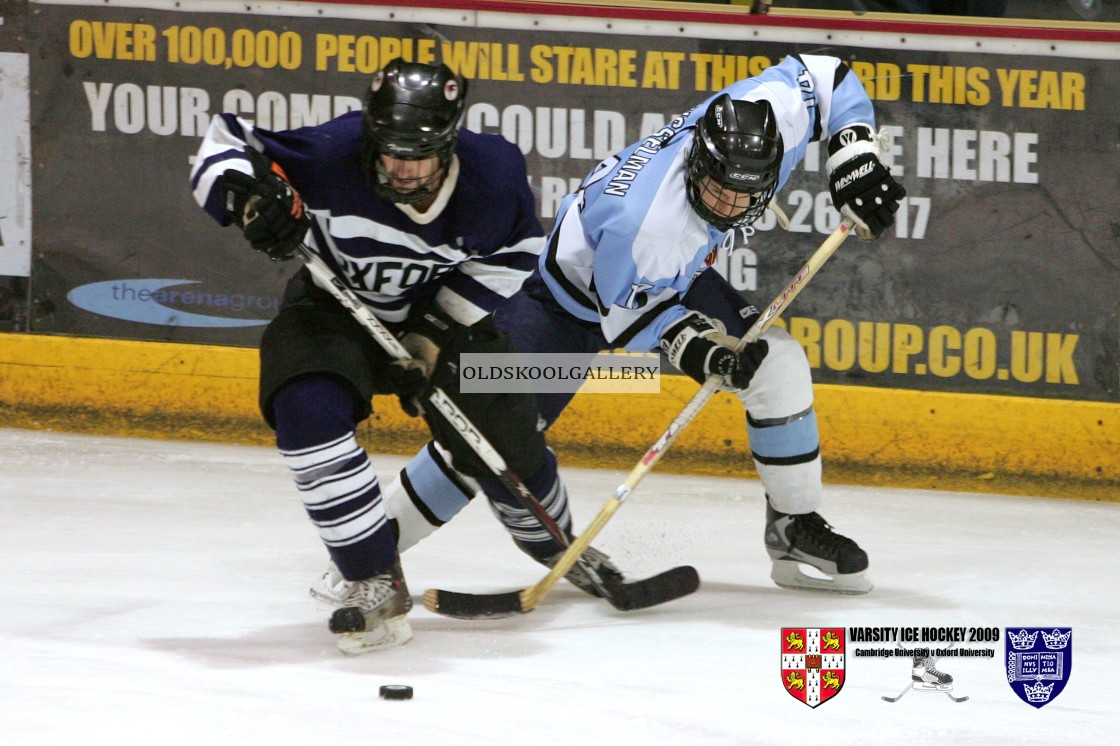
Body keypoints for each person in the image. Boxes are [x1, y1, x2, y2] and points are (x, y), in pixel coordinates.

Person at [389, 53, 905, 594]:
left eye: (745, 193)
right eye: (719, 190)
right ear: (699, 166)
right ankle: (373, 551)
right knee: (485, 432)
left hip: (668, 281)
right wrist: (707, 352)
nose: (731, 206)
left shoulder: (768, 115)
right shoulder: (649, 226)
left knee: (778, 365)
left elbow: (828, 75)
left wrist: (855, 155)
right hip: (563, 308)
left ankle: (793, 526)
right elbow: (636, 317)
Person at [188, 59, 622, 654]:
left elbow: (512, 257)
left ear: (449, 142)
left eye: (419, 155)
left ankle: (556, 545)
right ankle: (373, 578)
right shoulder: (332, 152)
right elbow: (223, 143)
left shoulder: (492, 177)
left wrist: (429, 336)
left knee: (506, 434)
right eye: (390, 151)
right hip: (331, 308)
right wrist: (247, 198)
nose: (402, 169)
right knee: (305, 411)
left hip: (441, 315)